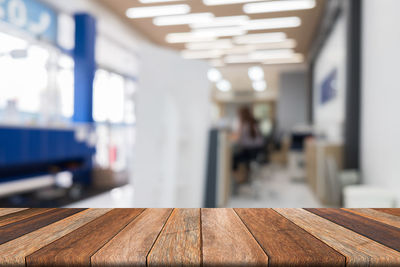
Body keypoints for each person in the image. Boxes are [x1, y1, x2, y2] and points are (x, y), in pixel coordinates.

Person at [231, 106, 264, 184]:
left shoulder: (245, 125)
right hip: (256, 151)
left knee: (233, 159)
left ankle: (237, 179)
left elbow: (240, 140)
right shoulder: (252, 123)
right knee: (240, 156)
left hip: (250, 152)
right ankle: (245, 176)